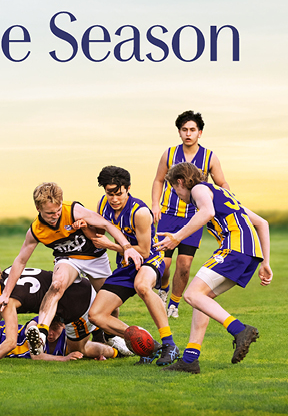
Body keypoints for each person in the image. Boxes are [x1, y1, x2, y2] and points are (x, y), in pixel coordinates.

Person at [0, 182, 142, 353]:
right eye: (49, 213)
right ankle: (41, 334)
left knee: (111, 304)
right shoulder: (36, 230)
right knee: (57, 285)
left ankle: (109, 337)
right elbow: (20, 261)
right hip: (68, 259)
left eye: (58, 210)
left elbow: (106, 225)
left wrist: (127, 248)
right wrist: (6, 294)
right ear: (38, 208)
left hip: (95, 258)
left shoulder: (74, 210)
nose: (55, 215)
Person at [158, 162, 272, 374]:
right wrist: (265, 262)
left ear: (181, 182)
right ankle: (190, 360)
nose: (177, 194)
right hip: (249, 252)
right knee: (202, 299)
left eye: (174, 188)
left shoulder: (199, 189)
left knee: (191, 295)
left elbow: (207, 212)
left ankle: (240, 330)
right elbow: (262, 223)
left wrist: (177, 237)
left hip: (235, 247)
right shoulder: (222, 194)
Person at [0, 259, 129, 362]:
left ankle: (117, 350)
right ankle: (106, 337)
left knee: (79, 349)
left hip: (78, 306)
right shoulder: (9, 273)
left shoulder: (7, 301)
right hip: (82, 286)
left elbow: (10, 343)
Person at [87, 165, 179, 366]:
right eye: (109, 193)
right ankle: (148, 345)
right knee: (96, 315)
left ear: (128, 188)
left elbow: (145, 251)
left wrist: (110, 245)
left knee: (142, 286)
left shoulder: (140, 212)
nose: (114, 199)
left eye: (118, 193)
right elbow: (97, 230)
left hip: (150, 260)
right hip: (125, 265)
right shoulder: (103, 204)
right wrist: (82, 226)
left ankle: (170, 344)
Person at [150, 110, 229, 318]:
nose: (188, 133)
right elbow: (158, 180)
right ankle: (163, 289)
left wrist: (229, 202)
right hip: (168, 215)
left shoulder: (210, 157)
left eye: (192, 130)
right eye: (184, 129)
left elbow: (222, 184)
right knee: (163, 265)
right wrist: (155, 204)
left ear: (200, 133)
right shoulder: (169, 154)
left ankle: (174, 305)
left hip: (194, 217)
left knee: (184, 265)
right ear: (179, 132)